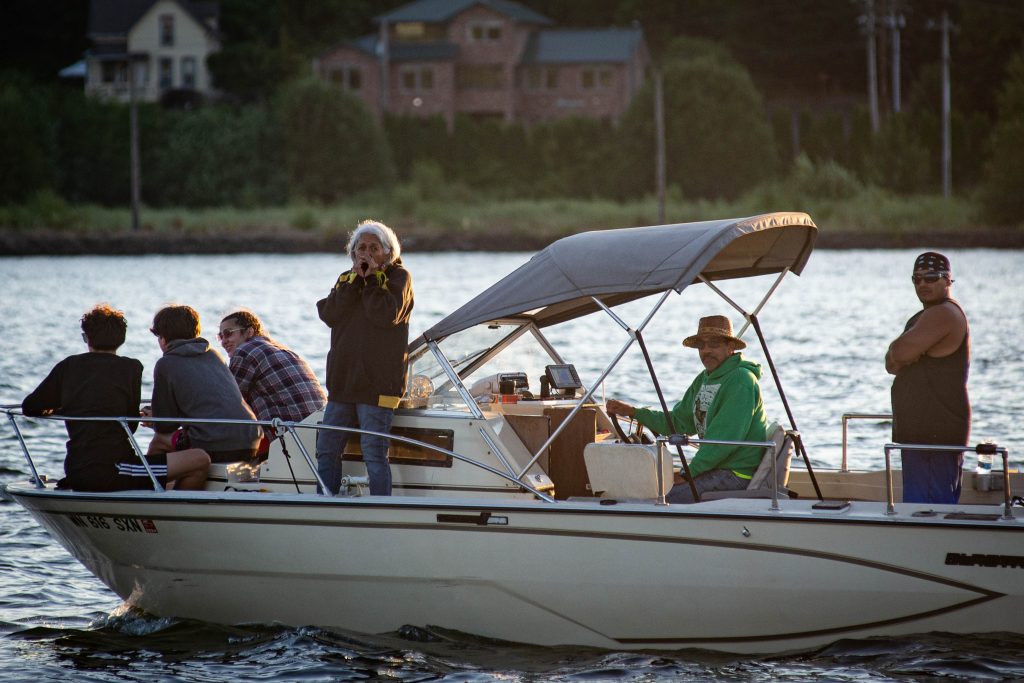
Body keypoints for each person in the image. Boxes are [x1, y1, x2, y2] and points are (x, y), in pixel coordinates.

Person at [22, 304, 208, 491]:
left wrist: (68, 408)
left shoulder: (68, 365)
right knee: (199, 459)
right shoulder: (131, 368)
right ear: (122, 339)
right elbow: (131, 426)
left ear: (87, 338)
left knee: (161, 463)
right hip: (115, 470)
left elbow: (31, 407)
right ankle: (170, 517)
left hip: (76, 469)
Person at [606, 315, 769, 504]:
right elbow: (678, 422)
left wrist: (687, 473)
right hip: (715, 467)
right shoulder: (704, 379)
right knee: (645, 488)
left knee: (655, 499)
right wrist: (635, 412)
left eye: (714, 344)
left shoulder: (741, 381)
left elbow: (722, 442)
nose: (706, 351)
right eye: (701, 345)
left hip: (735, 475)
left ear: (730, 347)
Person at [316, 220, 414, 496]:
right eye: (361, 248)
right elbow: (330, 315)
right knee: (326, 450)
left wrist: (370, 279)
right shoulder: (347, 279)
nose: (366, 253)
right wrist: (356, 280)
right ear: (352, 253)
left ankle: (381, 512)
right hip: (343, 384)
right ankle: (325, 509)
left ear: (387, 252)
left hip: (378, 387)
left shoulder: (399, 278)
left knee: (374, 454)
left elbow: (385, 315)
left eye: (373, 248)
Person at [886, 251, 971, 504]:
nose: (923, 284)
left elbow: (899, 352)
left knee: (930, 510)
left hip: (935, 435)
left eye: (931, 277)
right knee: (918, 507)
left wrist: (905, 352)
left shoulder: (943, 313)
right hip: (921, 435)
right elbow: (891, 363)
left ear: (948, 281)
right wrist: (904, 352)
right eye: (917, 279)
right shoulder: (925, 316)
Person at [145, 304, 262, 468]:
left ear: (163, 339)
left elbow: (165, 425)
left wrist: (154, 418)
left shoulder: (166, 363)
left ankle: (148, 483)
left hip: (213, 444)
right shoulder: (213, 355)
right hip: (251, 439)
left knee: (159, 441)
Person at [218, 309, 327, 453]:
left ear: (249, 332)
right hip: (319, 433)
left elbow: (227, 403)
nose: (224, 341)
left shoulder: (245, 351)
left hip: (291, 439)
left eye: (228, 333)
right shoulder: (284, 350)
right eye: (220, 336)